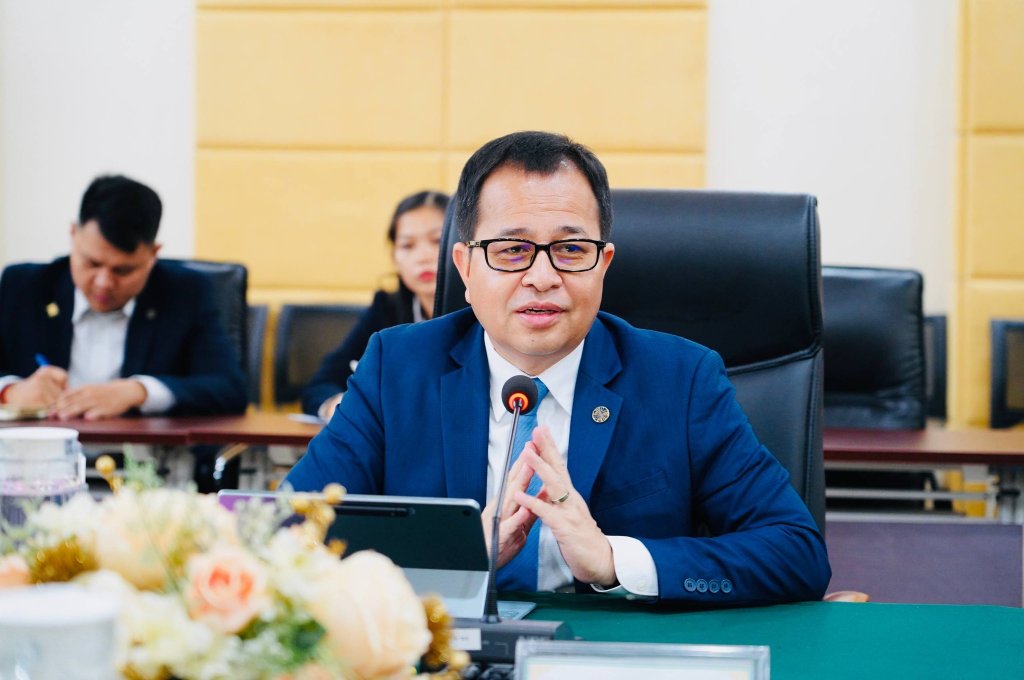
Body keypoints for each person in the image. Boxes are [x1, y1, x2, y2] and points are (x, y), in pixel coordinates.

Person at [285, 131, 831, 604]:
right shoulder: (397, 368)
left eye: (570, 250)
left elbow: (796, 552)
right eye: (511, 250)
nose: (543, 277)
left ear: (603, 264)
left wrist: (615, 560)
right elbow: (286, 536)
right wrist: (454, 560)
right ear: (465, 268)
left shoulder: (680, 379)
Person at [0, 174, 246, 421]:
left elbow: (230, 389)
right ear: (73, 234)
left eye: (123, 270)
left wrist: (139, 391)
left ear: (153, 254)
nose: (104, 282)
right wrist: (9, 391)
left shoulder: (186, 293)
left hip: (139, 445)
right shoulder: (23, 286)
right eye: (92, 263)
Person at [302, 190, 449, 420]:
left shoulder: (483, 312)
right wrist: (338, 407)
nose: (423, 256)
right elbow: (321, 384)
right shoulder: (386, 309)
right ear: (394, 258)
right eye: (407, 245)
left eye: (437, 241)